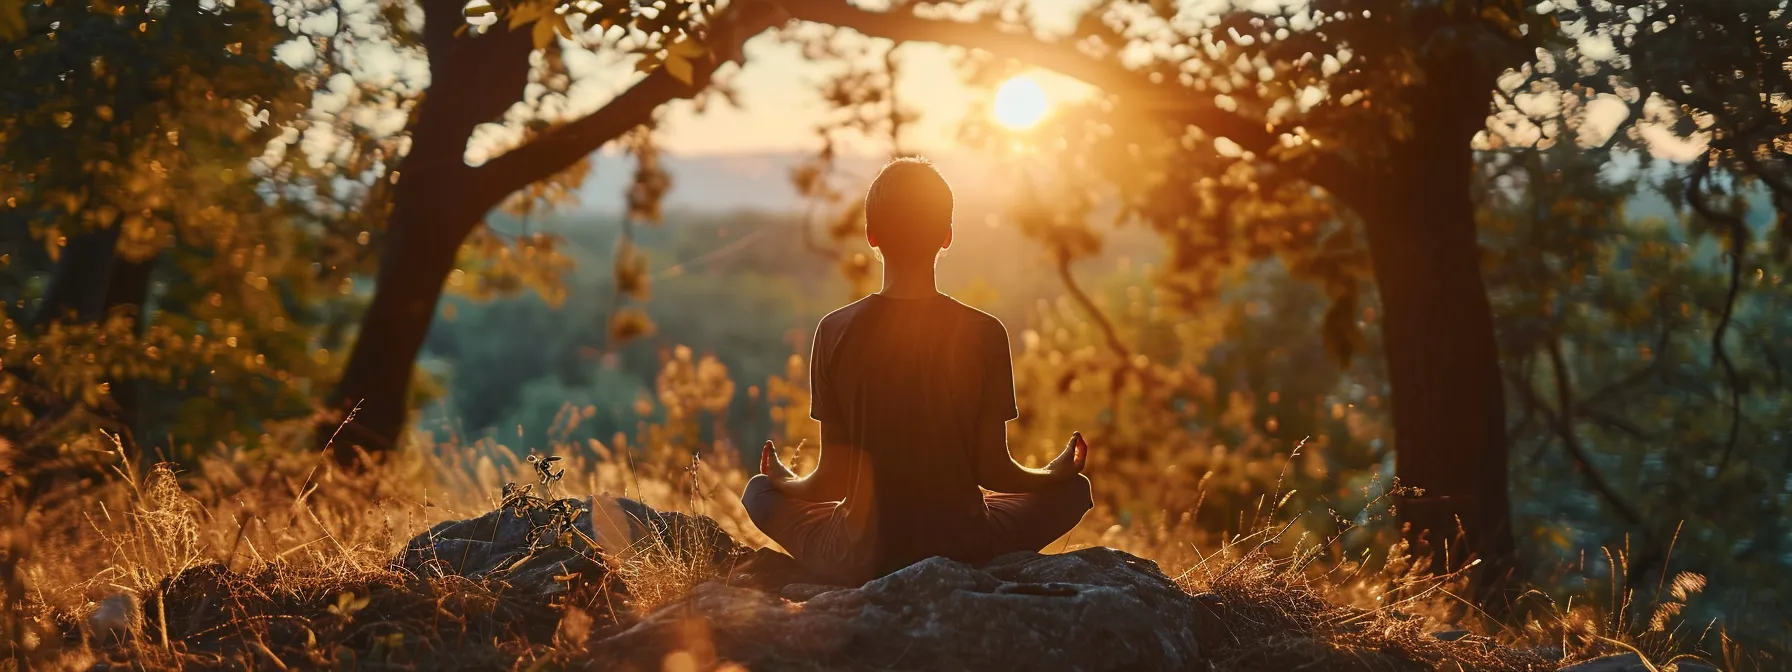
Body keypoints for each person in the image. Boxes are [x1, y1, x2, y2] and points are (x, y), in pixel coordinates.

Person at [740, 157, 1094, 585]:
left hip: (858, 555)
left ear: (872, 236)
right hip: (963, 544)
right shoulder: (985, 333)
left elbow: (832, 481)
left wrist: (785, 480)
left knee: (758, 491)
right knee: (1075, 490)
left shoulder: (834, 331)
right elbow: (993, 471)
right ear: (946, 236)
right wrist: (1053, 472)